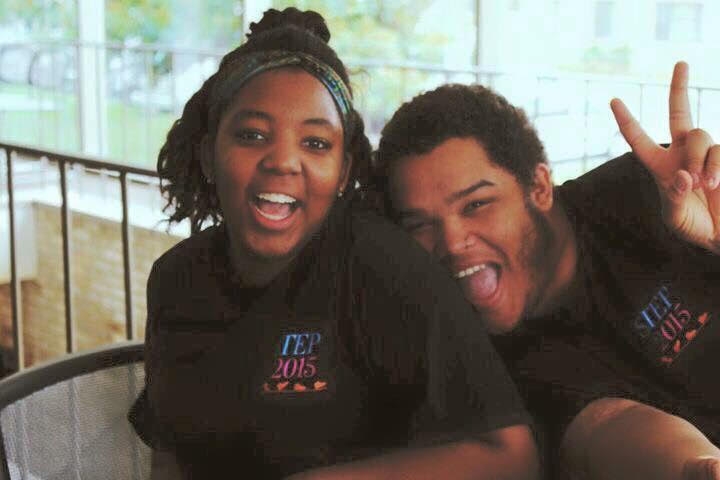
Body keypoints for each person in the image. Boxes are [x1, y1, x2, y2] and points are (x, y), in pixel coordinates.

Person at [128, 7, 539, 480]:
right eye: (253, 135)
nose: (283, 161)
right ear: (208, 155)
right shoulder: (177, 277)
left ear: (344, 172)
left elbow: (511, 455)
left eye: (316, 143)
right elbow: (170, 455)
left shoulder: (380, 266)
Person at [374, 61, 720, 480]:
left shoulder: (657, 193)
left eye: (476, 204)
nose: (451, 241)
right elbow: (607, 427)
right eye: (419, 225)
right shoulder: (470, 352)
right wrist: (693, 468)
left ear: (538, 187)